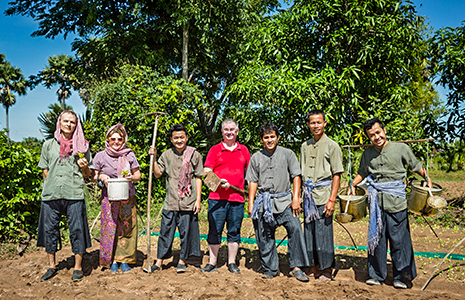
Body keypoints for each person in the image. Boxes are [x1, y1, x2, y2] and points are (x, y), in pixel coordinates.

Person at [349, 117, 432, 289]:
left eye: (378, 132)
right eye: (371, 135)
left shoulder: (401, 149)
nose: (376, 137)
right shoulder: (368, 154)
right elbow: (362, 173)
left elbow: (416, 166)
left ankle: (401, 277)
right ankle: (376, 275)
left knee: (399, 240)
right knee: (377, 239)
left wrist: (427, 178)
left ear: (384, 131)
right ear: (368, 137)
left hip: (397, 202)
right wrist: (352, 183)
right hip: (376, 204)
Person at [246, 123, 309, 281]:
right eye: (266, 137)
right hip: (264, 202)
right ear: (262, 139)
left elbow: (296, 176)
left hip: (285, 201)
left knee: (295, 229)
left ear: (278, 137)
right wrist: (251, 203)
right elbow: (252, 181)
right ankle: (270, 268)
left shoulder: (288, 154)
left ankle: (296, 267)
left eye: (272, 136)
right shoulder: (256, 157)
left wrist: (296, 198)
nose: (269, 140)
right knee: (265, 235)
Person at [37, 110, 93, 282]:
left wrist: (84, 167)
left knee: (77, 229)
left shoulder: (82, 146)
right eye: (66, 121)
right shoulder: (48, 145)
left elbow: (88, 174)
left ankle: (77, 267)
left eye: (73, 122)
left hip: (74, 193)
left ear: (77, 125)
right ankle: (51, 266)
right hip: (51, 194)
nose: (69, 124)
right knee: (49, 230)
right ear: (59, 122)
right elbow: (45, 171)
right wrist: (48, 189)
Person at [145, 124, 203, 273]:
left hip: (188, 201)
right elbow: (158, 174)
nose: (179, 140)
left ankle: (182, 260)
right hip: (170, 201)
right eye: (176, 137)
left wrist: (198, 200)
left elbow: (198, 177)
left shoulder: (194, 155)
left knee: (186, 233)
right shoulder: (166, 155)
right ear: (171, 139)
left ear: (186, 138)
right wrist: (153, 158)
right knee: (165, 232)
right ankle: (159, 262)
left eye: (182, 137)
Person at [201, 119, 250, 274]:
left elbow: (250, 175)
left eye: (232, 129)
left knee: (234, 230)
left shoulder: (244, 150)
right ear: (222, 131)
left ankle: (232, 262)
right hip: (216, 198)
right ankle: (212, 262)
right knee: (214, 229)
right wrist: (218, 182)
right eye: (226, 129)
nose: (229, 132)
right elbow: (206, 173)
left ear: (237, 132)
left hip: (237, 198)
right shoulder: (215, 150)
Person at [300, 109, 343, 281]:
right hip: (308, 195)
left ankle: (326, 270)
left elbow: (337, 175)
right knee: (309, 232)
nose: (315, 125)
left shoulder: (332, 146)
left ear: (325, 123)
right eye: (312, 122)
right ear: (308, 125)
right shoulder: (305, 146)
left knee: (324, 233)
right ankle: (312, 266)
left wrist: (332, 200)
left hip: (324, 195)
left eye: (319, 122)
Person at [92, 123, 141, 272]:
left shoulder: (129, 155)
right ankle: (111, 259)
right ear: (107, 139)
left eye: (120, 139)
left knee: (126, 228)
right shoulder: (100, 156)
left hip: (127, 198)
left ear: (124, 140)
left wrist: (131, 177)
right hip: (109, 198)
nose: (116, 142)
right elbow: (94, 176)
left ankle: (124, 259)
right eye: (113, 139)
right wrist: (101, 176)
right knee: (109, 228)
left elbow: (138, 175)